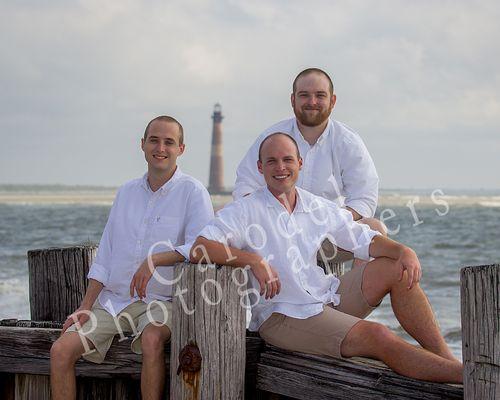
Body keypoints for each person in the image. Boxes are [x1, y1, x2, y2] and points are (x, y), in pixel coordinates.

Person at [191, 133, 463, 383]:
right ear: (260, 168)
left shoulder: (314, 205)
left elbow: (361, 237)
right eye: (271, 161)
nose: (280, 167)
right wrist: (252, 260)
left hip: (325, 299)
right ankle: (466, 376)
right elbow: (199, 248)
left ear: (300, 163)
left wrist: (404, 251)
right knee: (377, 334)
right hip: (283, 316)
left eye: (287, 160)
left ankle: (445, 358)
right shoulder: (244, 211)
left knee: (395, 268)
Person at [50, 116, 214, 399]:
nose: (160, 147)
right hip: (114, 301)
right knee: (60, 350)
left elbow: (201, 248)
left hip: (162, 302)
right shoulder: (126, 192)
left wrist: (156, 260)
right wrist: (85, 306)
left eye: (169, 142)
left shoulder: (193, 191)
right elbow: (106, 255)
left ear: (181, 149)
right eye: (154, 140)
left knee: (151, 340)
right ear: (142, 145)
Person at [234, 68, 386, 265]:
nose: (312, 102)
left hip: (326, 238)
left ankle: (356, 293)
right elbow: (245, 186)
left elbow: (364, 198)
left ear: (332, 101)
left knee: (375, 230)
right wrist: (273, 220)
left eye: (320, 95)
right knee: (223, 217)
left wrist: (326, 221)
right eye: (304, 95)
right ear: (293, 100)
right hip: (274, 236)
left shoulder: (347, 142)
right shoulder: (271, 138)